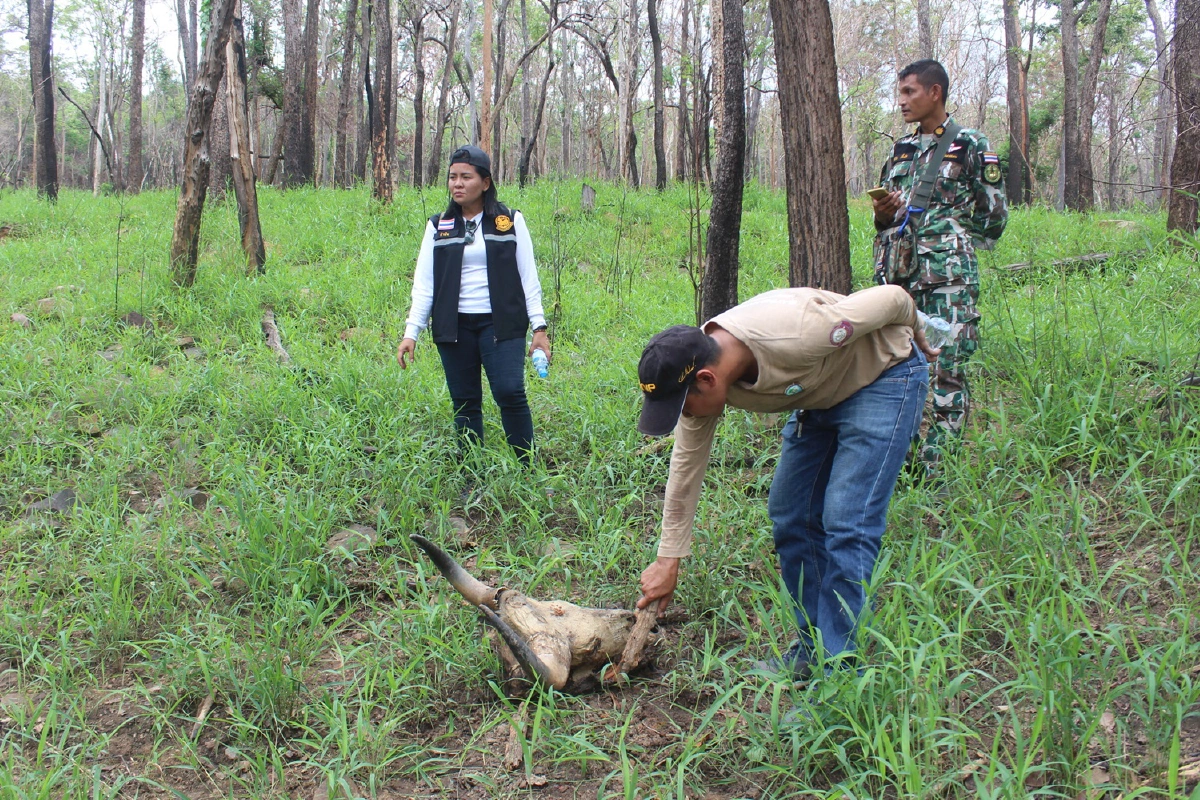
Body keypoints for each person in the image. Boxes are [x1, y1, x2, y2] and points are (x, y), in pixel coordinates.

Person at [636, 286, 938, 675]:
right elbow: (686, 467)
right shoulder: (698, 370)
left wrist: (919, 333)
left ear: (708, 380)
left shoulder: (801, 334)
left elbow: (893, 298)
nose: (683, 417)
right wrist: (668, 558)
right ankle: (812, 650)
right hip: (820, 395)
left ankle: (840, 675)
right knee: (791, 511)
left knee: (847, 521)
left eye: (681, 407)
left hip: (884, 376)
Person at [872, 59, 1007, 480]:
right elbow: (887, 223)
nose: (902, 101)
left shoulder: (970, 144)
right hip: (900, 278)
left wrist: (948, 234)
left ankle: (937, 473)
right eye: (900, 93)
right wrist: (883, 215)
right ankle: (905, 464)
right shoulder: (902, 149)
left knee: (946, 368)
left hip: (949, 282)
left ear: (935, 92)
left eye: (910, 92)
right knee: (901, 367)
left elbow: (995, 218)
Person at [397, 145, 550, 465]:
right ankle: (471, 470)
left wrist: (539, 327)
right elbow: (424, 284)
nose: (457, 184)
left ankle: (528, 467)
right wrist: (412, 332)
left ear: (485, 182)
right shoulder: (438, 226)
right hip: (454, 328)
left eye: (466, 177)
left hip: (501, 324)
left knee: (510, 391)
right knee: (465, 401)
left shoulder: (509, 221)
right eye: (452, 177)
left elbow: (528, 277)